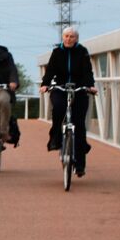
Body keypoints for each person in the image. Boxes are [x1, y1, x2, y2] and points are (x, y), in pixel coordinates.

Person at [39, 26, 97, 177]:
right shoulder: (57, 52)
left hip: (79, 88)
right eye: (66, 36)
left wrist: (90, 86)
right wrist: (45, 84)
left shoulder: (82, 51)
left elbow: (87, 71)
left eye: (72, 36)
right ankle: (56, 139)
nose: (69, 39)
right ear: (62, 38)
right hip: (61, 87)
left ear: (76, 38)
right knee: (58, 108)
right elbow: (50, 70)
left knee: (79, 124)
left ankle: (80, 165)